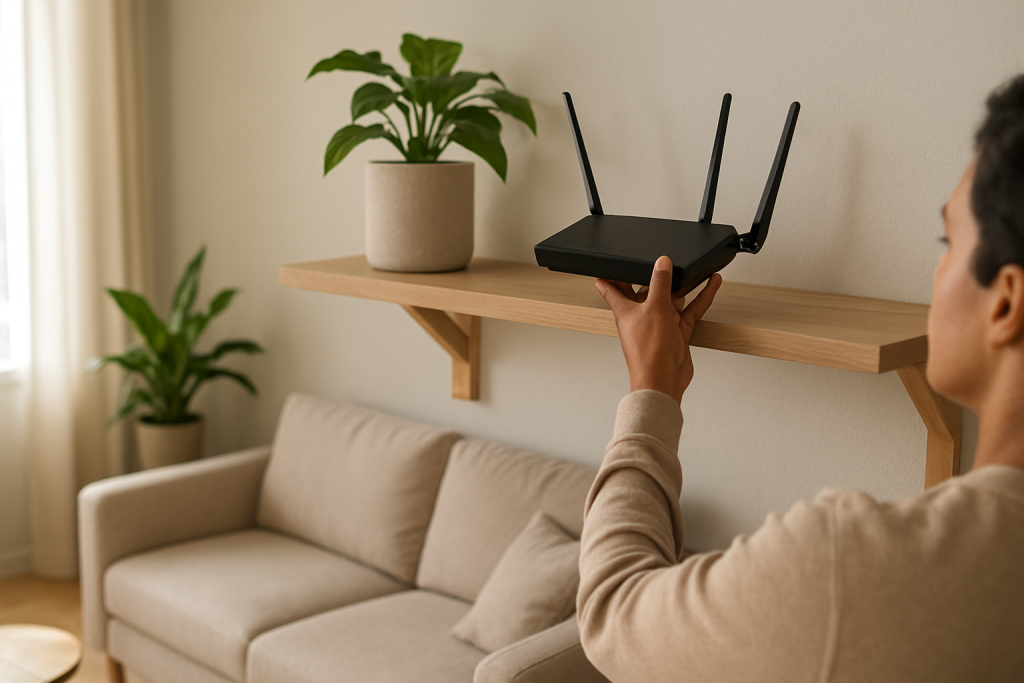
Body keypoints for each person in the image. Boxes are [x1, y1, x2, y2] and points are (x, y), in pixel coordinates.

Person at [577, 73, 1024, 683]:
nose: (936, 271)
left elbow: (612, 616)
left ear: (1005, 303)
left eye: (949, 239)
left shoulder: (848, 567)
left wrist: (651, 390)